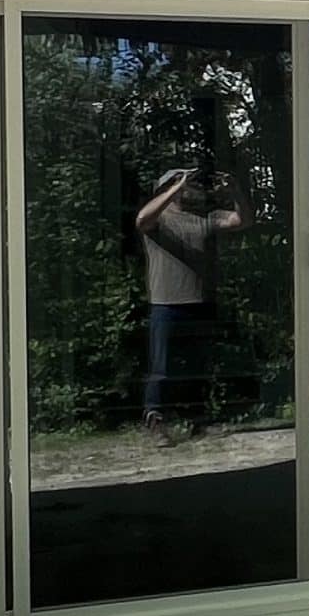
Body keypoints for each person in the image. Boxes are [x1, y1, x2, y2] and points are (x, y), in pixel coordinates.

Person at [135, 166, 245, 440]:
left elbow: (241, 220)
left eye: (188, 181)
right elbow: (141, 220)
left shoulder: (204, 218)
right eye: (179, 181)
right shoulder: (160, 220)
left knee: (199, 366)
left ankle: (198, 420)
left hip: (200, 301)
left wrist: (236, 192)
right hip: (166, 303)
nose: (188, 185)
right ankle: (155, 418)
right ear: (166, 189)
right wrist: (174, 188)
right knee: (162, 368)